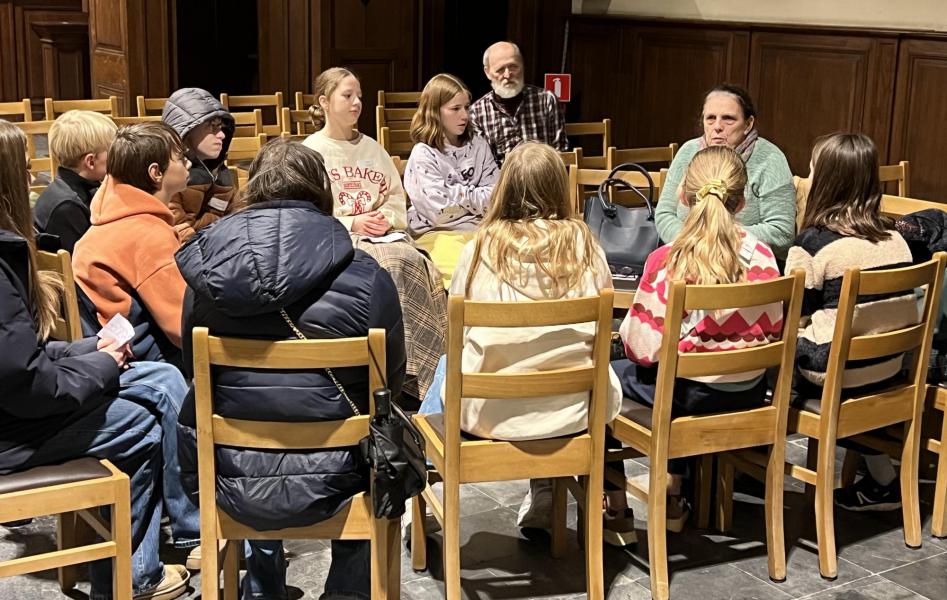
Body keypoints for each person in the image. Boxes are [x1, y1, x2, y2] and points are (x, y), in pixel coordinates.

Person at [175, 138, 407, 600]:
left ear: (253, 191)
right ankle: (348, 593)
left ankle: (262, 588)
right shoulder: (366, 276)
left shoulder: (206, 279)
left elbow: (193, 374)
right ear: (322, 192)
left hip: (228, 472)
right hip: (339, 474)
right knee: (375, 432)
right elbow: (392, 381)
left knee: (249, 412)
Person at [0, 119, 190, 600]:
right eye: (21, 169)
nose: (31, 179)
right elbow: (29, 383)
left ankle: (156, 556)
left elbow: (21, 355)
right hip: (11, 430)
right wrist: (102, 365)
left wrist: (88, 351)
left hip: (19, 404)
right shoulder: (140, 231)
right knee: (144, 421)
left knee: (161, 379)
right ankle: (140, 573)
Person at [419, 142, 627, 544]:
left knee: (449, 360)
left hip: (488, 413)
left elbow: (456, 332)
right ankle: (545, 492)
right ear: (559, 189)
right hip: (574, 411)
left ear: (504, 188)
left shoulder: (478, 247)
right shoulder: (586, 245)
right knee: (547, 360)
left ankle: (422, 495)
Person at [619, 145, 784, 531]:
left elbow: (642, 348)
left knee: (609, 377)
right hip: (748, 390)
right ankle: (678, 487)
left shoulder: (669, 258)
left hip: (690, 395)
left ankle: (617, 508)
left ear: (681, 196)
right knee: (680, 371)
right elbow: (772, 330)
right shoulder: (764, 257)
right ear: (741, 202)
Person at [786, 133, 918, 511]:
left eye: (811, 169)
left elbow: (796, 314)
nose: (806, 177)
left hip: (835, 376)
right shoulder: (897, 238)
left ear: (825, 180)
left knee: (757, 362)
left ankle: (740, 472)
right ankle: (883, 483)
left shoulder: (813, 246)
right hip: (887, 368)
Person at [303, 67, 446, 403]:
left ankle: (431, 374)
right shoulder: (311, 151)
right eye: (347, 96)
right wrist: (352, 223)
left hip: (385, 236)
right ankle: (396, 373)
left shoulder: (373, 149)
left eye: (360, 97)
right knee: (390, 265)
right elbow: (307, 214)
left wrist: (384, 218)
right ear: (324, 101)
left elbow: (397, 202)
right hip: (340, 238)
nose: (356, 104)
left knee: (415, 262)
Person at [73, 122, 191, 367]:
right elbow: (183, 328)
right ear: (156, 172)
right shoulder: (147, 234)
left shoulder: (108, 215)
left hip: (104, 344)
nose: (188, 163)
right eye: (180, 158)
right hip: (141, 357)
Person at [655, 84, 796, 257]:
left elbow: (781, 232)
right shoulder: (688, 152)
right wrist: (695, 245)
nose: (717, 126)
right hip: (687, 255)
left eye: (728, 118)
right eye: (710, 118)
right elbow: (664, 214)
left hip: (748, 265)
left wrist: (716, 240)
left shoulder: (770, 159)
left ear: (748, 124)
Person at [404, 73, 499, 287]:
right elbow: (439, 212)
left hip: (481, 230)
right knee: (465, 276)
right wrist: (476, 200)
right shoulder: (424, 153)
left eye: (466, 107)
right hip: (438, 235)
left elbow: (496, 196)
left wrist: (455, 192)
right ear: (435, 112)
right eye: (455, 109)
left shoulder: (478, 144)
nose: (464, 115)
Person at [162, 87, 244, 243]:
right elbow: (179, 233)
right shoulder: (168, 176)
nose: (221, 135)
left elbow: (238, 218)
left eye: (221, 127)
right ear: (186, 131)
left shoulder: (221, 172)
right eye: (212, 127)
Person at [469, 41, 566, 165]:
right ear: (487, 72)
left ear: (523, 65)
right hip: (499, 182)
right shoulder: (476, 113)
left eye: (513, 67)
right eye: (500, 70)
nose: (507, 74)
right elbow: (481, 165)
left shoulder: (546, 101)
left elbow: (560, 152)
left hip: (543, 180)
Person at [33, 110, 117, 253]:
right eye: (113, 152)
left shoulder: (73, 187)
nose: (118, 156)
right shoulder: (68, 206)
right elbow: (86, 260)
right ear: (90, 161)